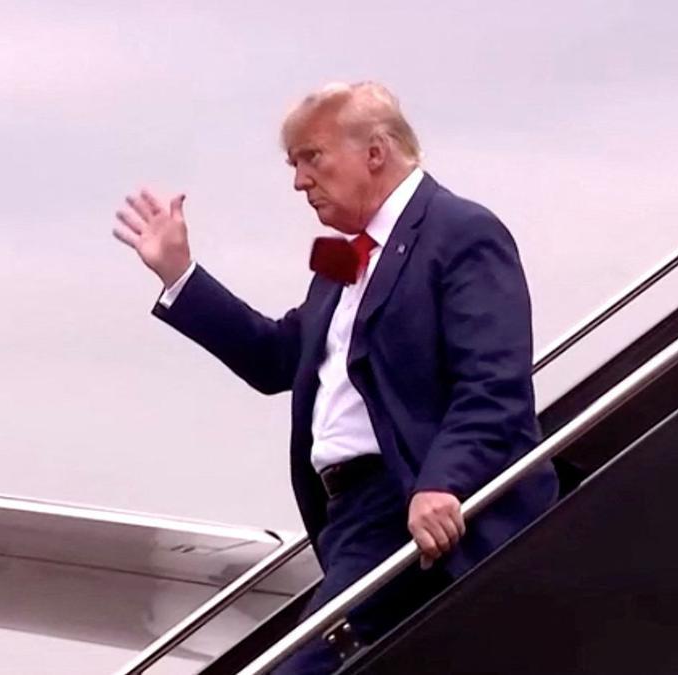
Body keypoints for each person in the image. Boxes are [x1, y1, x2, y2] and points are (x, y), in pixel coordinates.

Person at [112, 82, 558, 674]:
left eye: (310, 157)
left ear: (374, 152)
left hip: (404, 503)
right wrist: (180, 274)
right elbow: (277, 360)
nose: (299, 181)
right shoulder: (347, 261)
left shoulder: (461, 233)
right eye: (294, 164)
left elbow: (493, 384)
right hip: (347, 519)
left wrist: (442, 483)